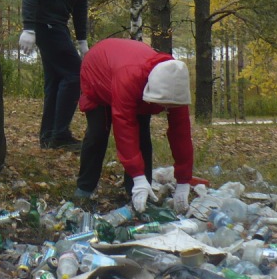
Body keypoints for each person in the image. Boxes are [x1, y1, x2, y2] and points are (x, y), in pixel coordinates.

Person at [19, 0, 119, 151]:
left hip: (57, 24)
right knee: (74, 75)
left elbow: (80, 5)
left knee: (56, 79)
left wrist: (82, 40)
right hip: (45, 23)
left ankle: (49, 136)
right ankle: (59, 135)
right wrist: (28, 28)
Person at [74, 37, 194, 214]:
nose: (167, 109)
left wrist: (184, 182)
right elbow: (124, 128)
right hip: (98, 71)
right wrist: (138, 177)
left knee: (142, 135)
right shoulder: (129, 79)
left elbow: (181, 134)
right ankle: (84, 189)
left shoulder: (175, 82)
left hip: (132, 77)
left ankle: (136, 194)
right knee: (98, 132)